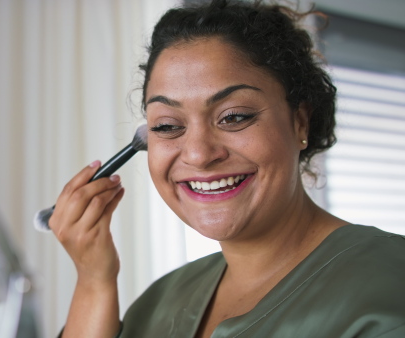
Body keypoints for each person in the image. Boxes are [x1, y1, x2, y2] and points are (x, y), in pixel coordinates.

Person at [49, 0, 405, 337]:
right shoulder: (162, 300)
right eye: (168, 126)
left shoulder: (389, 288)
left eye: (234, 117)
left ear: (300, 123)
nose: (199, 155)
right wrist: (94, 280)